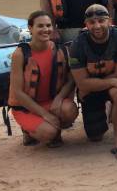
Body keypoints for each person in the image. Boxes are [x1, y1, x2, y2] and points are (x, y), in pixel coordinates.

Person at [69, 4, 117, 161]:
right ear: (86, 24)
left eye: (101, 21)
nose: (97, 25)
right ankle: (106, 108)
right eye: (92, 22)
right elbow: (82, 84)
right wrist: (111, 81)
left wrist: (92, 83)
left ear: (109, 21)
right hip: (92, 90)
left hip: (110, 87)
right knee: (95, 136)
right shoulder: (77, 44)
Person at [7, 11, 78, 147]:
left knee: (70, 110)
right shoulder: (20, 54)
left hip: (51, 102)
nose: (45, 30)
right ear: (30, 28)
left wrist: (59, 99)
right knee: (49, 133)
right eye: (40, 26)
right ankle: (28, 131)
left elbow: (70, 80)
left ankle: (53, 129)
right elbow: (18, 92)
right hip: (26, 107)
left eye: (48, 25)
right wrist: (45, 114)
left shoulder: (61, 50)